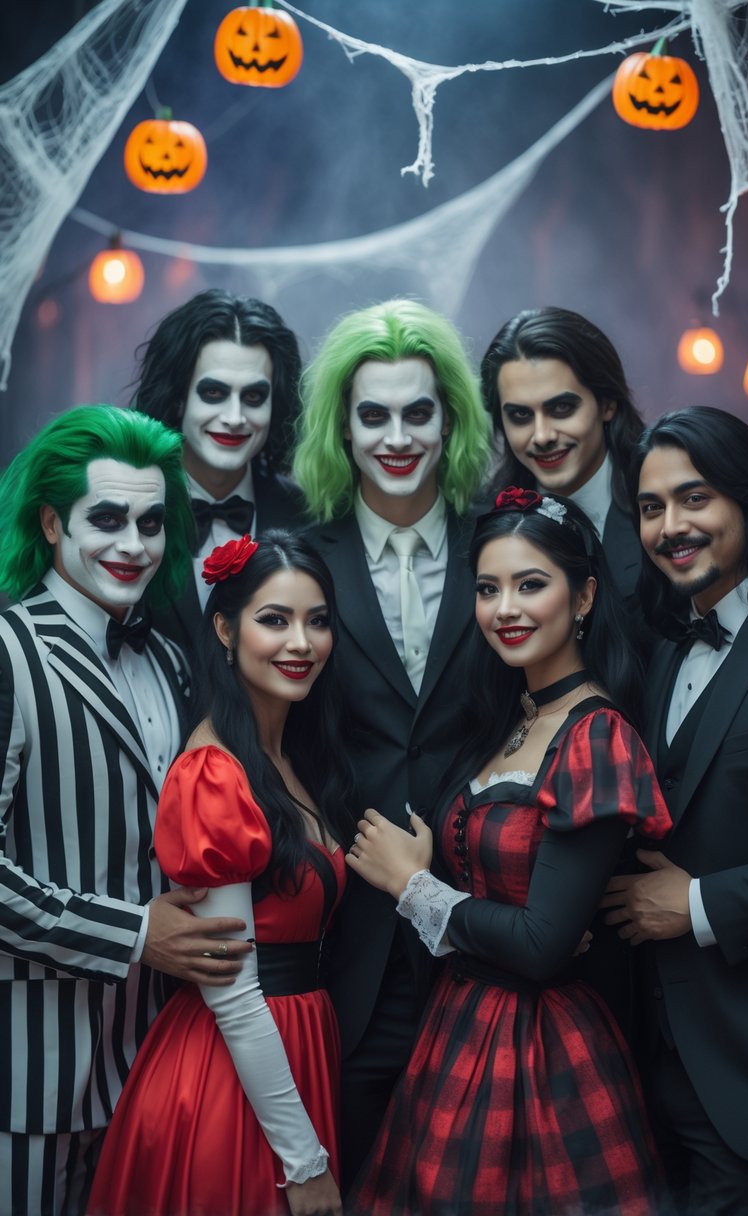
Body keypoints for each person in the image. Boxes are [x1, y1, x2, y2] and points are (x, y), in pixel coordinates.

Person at [346, 487, 672, 1216]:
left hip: (541, 1048)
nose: (505, 609)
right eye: (488, 588)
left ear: (582, 596)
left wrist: (413, 885)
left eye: (531, 584)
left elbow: (541, 946)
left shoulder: (595, 734)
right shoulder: (516, 719)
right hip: (457, 1026)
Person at [0, 405, 252, 1216]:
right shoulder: (8, 651)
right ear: (49, 521)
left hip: (151, 1064)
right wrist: (139, 934)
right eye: (105, 519)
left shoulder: (171, 658)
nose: (133, 545)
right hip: (27, 1077)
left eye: (150, 522)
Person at [602, 407, 748, 1214]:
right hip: (659, 1069)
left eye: (692, 499)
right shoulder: (665, 649)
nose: (670, 526)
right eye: (651, 507)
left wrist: (697, 904)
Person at [88, 530, 354, 1216]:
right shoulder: (213, 773)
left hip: (293, 1050)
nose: (301, 642)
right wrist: (304, 1160)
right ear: (225, 629)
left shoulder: (293, 758)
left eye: (317, 621)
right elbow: (232, 994)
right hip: (231, 1070)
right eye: (275, 619)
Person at [292, 298, 492, 1186]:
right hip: (349, 948)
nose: (396, 435)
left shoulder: (505, 545)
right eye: (373, 414)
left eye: (418, 411)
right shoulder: (300, 561)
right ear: (343, 425)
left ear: (450, 419)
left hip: (491, 926)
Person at [133, 288, 305, 651]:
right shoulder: (127, 511)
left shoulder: (308, 518)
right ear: (179, 397)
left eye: (254, 397)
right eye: (213, 393)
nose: (234, 418)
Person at [480, 306, 645, 604]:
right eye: (520, 415)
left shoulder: (662, 509)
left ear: (607, 403)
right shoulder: (483, 521)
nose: (542, 436)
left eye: (561, 409)